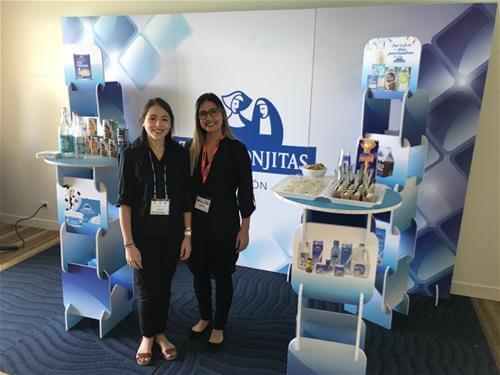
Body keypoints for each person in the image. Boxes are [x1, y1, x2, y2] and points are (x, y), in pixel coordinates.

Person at [116, 98, 192, 366]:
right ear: (143, 121)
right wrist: (128, 244)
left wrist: (187, 235)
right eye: (152, 118)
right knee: (147, 287)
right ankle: (147, 336)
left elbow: (184, 199)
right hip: (142, 235)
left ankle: (160, 333)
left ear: (171, 123)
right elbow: (124, 202)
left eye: (164, 119)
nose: (158, 125)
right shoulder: (131, 153)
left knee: (164, 286)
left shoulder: (180, 154)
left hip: (172, 233)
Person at [187, 93, 255, 348]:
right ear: (198, 118)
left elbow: (246, 193)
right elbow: (186, 192)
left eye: (213, 111)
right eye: (203, 114)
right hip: (197, 225)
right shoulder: (191, 149)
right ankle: (205, 317)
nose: (209, 118)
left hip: (225, 225)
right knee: (199, 275)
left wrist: (245, 229)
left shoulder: (236, 149)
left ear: (222, 114)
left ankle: (219, 325)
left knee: (223, 276)